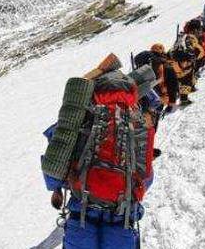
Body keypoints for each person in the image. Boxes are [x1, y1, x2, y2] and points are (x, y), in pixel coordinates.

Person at [42, 59, 159, 249]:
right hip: (122, 215)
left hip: (83, 211)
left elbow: (56, 151)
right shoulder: (139, 121)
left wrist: (56, 188)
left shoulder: (85, 116)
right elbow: (146, 176)